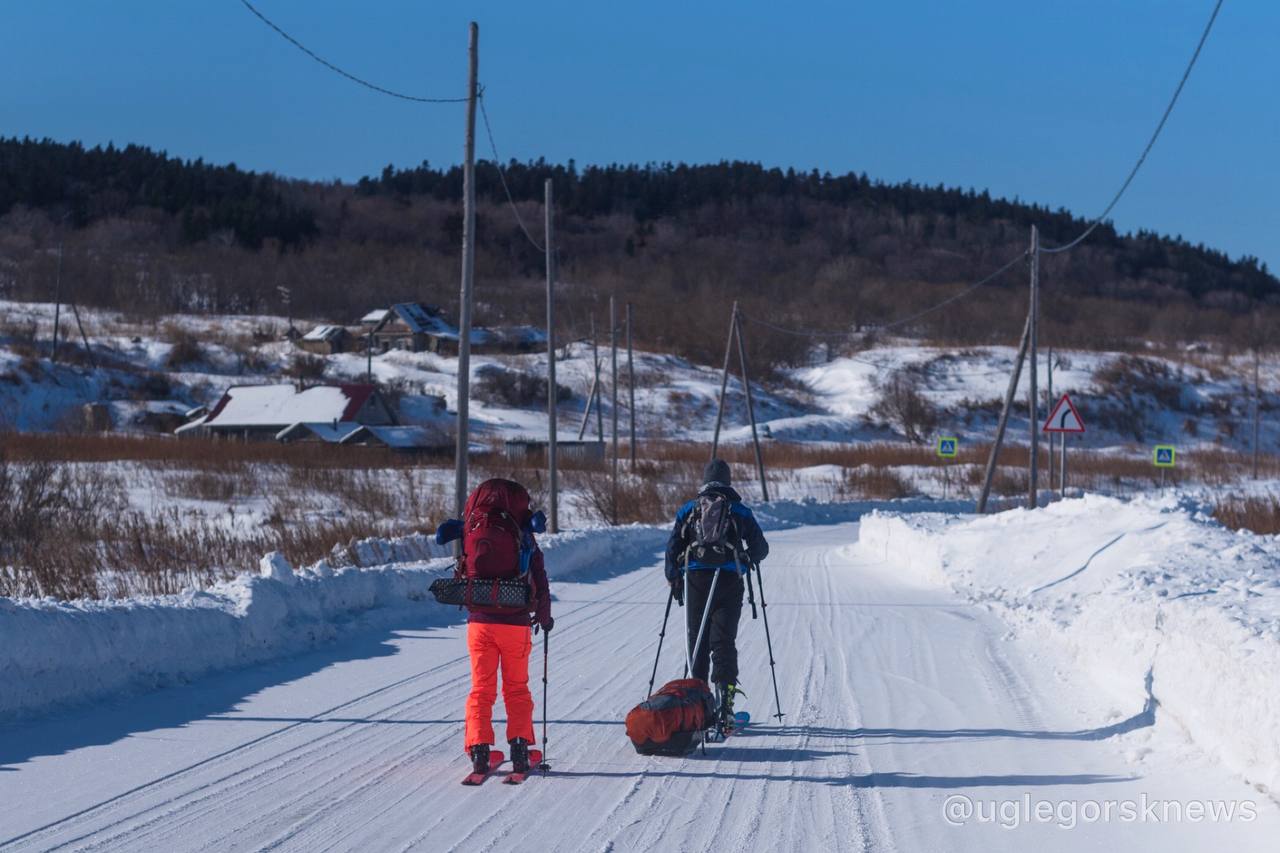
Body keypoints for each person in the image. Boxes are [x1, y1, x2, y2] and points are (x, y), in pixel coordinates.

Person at [439, 478, 553, 777]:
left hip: (479, 623)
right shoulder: (523, 532)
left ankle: (479, 750)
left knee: (481, 689)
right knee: (516, 688)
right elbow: (539, 578)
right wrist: (544, 616)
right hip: (514, 623)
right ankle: (519, 749)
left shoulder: (471, 529)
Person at [664, 459, 768, 728]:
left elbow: (673, 548)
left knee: (696, 642)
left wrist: (674, 578)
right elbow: (761, 549)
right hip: (728, 580)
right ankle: (725, 707)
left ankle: (696, 706)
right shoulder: (740, 511)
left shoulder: (689, 509)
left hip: (696, 580)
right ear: (728, 480)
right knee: (723, 642)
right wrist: (744, 559)